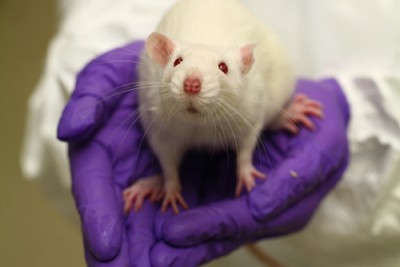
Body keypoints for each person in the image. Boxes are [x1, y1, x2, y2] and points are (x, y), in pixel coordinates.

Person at [22, 0, 400, 266]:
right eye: (181, 63)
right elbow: (159, 133)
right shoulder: (155, 86)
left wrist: (352, 103)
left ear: (241, 67)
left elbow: (251, 118)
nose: (192, 82)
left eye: (220, 67)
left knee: (271, 102)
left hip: (358, 243)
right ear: (162, 54)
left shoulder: (252, 80)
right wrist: (170, 180)